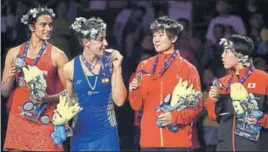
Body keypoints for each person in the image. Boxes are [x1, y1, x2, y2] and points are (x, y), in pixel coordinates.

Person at [129, 16, 202, 151]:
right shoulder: (144, 66)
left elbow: (196, 106)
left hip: (176, 140)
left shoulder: (188, 69)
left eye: (161, 35)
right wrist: (134, 91)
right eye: (154, 35)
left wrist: (174, 117)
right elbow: (136, 105)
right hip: (149, 139)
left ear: (173, 38)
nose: (155, 39)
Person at [1, 6, 69, 151]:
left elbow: (70, 93)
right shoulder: (14, 53)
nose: (48, 29)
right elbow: (4, 92)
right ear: (32, 27)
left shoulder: (58, 55)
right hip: (19, 116)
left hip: (45, 117)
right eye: (43, 25)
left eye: (50, 25)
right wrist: (11, 76)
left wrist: (47, 99)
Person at [63, 17, 127, 151]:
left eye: (105, 38)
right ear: (86, 42)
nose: (106, 43)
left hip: (107, 135)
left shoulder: (110, 64)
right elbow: (69, 103)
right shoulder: (69, 68)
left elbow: (120, 101)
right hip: (80, 135)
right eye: (100, 39)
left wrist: (118, 68)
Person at [205, 34, 268, 151]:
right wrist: (212, 99)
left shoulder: (264, 79)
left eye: (227, 52)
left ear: (240, 55)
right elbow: (214, 117)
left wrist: (262, 120)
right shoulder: (222, 83)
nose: (222, 56)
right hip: (225, 147)